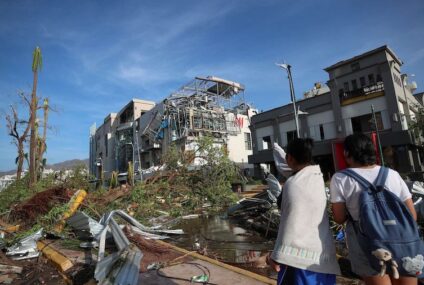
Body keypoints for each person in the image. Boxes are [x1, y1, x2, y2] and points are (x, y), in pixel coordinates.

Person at [330, 133, 417, 285]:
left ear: (346, 153)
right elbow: (411, 215)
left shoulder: (340, 178)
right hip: (402, 241)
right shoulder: (392, 174)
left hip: (367, 245)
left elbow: (339, 218)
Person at [267, 138, 340, 284]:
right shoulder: (316, 177)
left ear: (290, 158)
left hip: (298, 260)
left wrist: (277, 255)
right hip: (321, 253)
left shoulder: (292, 184)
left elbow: (290, 222)